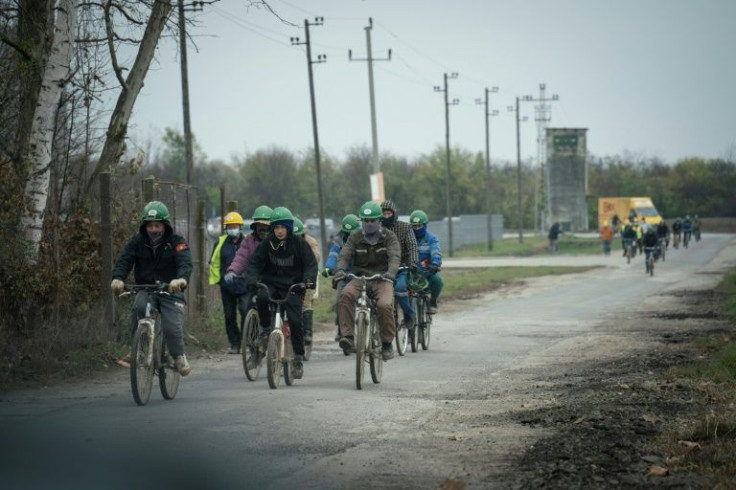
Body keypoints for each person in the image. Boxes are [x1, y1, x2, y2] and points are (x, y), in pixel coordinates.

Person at [111, 201, 193, 376]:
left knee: (171, 326)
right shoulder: (137, 241)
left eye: (157, 225)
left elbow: (185, 262)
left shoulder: (176, 242)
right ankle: (138, 349)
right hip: (146, 289)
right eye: (150, 226)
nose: (154, 229)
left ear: (165, 225)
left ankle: (178, 356)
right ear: (144, 226)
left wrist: (180, 279)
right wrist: (118, 278)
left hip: (171, 291)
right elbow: (125, 260)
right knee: (139, 308)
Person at [244, 206, 317, 380]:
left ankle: (298, 358)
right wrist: (253, 279)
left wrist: (308, 280)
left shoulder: (299, 244)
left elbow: (310, 264)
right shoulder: (267, 243)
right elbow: (254, 263)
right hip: (272, 284)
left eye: (282, 227)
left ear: (289, 228)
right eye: (276, 227)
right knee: (261, 297)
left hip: (294, 286)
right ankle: (266, 330)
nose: (279, 231)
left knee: (294, 320)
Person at [334, 201, 401, 361]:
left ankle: (386, 344)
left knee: (384, 305)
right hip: (360, 278)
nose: (369, 224)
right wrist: (341, 270)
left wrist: (391, 272)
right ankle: (348, 337)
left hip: (383, 279)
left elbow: (394, 256)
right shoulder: (355, 236)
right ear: (361, 221)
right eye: (366, 221)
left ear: (379, 221)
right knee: (345, 295)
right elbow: (345, 254)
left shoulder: (389, 237)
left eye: (372, 221)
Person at [208, 211, 249, 354]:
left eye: (235, 226)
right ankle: (235, 344)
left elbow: (253, 262)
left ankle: (246, 341)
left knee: (245, 311)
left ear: (240, 226)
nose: (232, 229)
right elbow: (214, 263)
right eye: (229, 226)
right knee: (229, 316)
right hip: (227, 287)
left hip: (245, 286)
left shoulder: (248, 242)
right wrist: (221, 279)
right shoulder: (219, 243)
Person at [380, 200, 418, 330]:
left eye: (388, 213)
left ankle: (409, 314)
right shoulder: (376, 229)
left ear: (394, 214)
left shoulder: (405, 227)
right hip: (383, 268)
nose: (386, 216)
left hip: (402, 267)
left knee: (401, 288)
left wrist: (412, 263)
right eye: (383, 214)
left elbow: (412, 246)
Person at [322, 213, 360, 341]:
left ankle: (373, 327)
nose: (349, 235)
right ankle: (341, 329)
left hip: (362, 276)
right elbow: (333, 254)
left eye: (352, 232)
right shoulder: (338, 240)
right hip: (344, 275)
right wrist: (329, 267)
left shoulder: (366, 239)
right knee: (340, 301)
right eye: (346, 232)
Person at [293, 217, 321, 347]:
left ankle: (308, 333)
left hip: (306, 277)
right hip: (289, 277)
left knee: (306, 302)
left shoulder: (310, 242)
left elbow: (315, 259)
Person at [409, 209, 443, 313]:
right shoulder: (408, 238)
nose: (417, 228)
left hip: (428, 272)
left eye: (420, 226)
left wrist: (435, 263)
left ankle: (433, 301)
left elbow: (435, 251)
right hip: (411, 273)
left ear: (425, 225)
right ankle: (407, 314)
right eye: (414, 226)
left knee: (438, 281)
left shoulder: (432, 239)